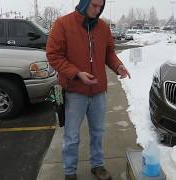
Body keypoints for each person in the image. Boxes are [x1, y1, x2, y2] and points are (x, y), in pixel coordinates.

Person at [46, 0, 130, 179]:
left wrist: (118, 66)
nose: (98, 10)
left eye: (101, 6)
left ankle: (97, 165)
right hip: (74, 91)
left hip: (98, 92)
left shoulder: (103, 28)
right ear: (84, 3)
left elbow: (109, 52)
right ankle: (70, 172)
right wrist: (76, 73)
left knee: (98, 132)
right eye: (94, 5)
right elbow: (53, 55)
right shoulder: (63, 24)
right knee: (71, 136)